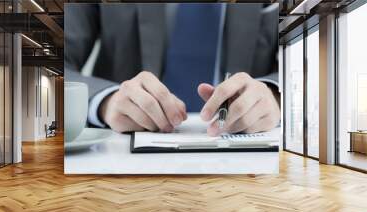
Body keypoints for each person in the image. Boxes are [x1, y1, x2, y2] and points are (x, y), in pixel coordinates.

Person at [65, 3, 280, 136]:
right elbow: (52, 64)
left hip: (246, 160)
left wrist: (275, 94)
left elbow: (310, 57)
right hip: (123, 155)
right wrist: (106, 101)